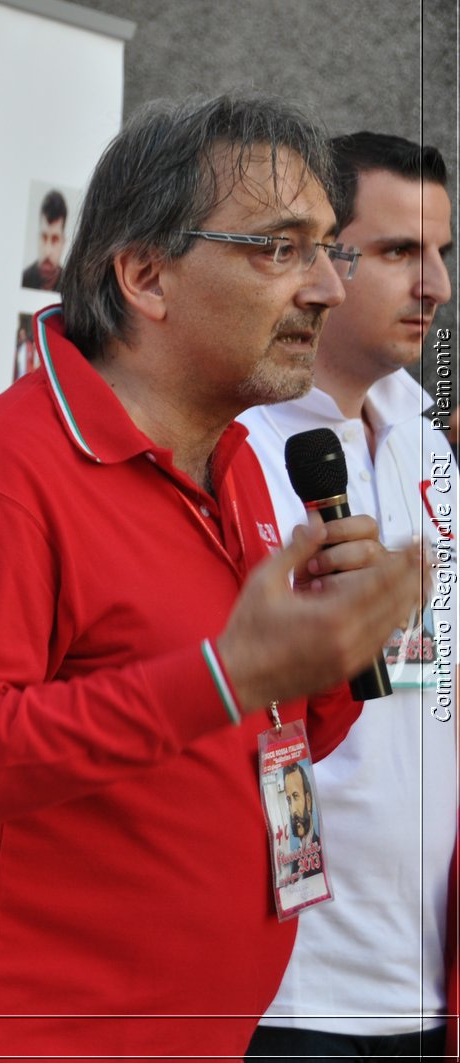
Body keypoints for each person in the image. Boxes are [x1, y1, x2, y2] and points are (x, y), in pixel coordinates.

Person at [0, 94, 427, 1058]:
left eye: (330, 248)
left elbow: (244, 734)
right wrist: (223, 675)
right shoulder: (2, 474)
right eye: (281, 249)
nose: (326, 286)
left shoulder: (233, 460)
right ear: (146, 275)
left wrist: (321, 657)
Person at [241, 132, 455, 1061]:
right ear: (322, 256)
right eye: (402, 251)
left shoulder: (427, 440)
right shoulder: (235, 438)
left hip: (422, 969)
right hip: (289, 981)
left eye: (443, 253)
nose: (436, 285)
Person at [21, 189, 69, 291]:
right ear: (38, 237)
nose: (47, 251)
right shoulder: (23, 280)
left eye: (55, 239)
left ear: (63, 242)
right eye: (44, 237)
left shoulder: (71, 287)